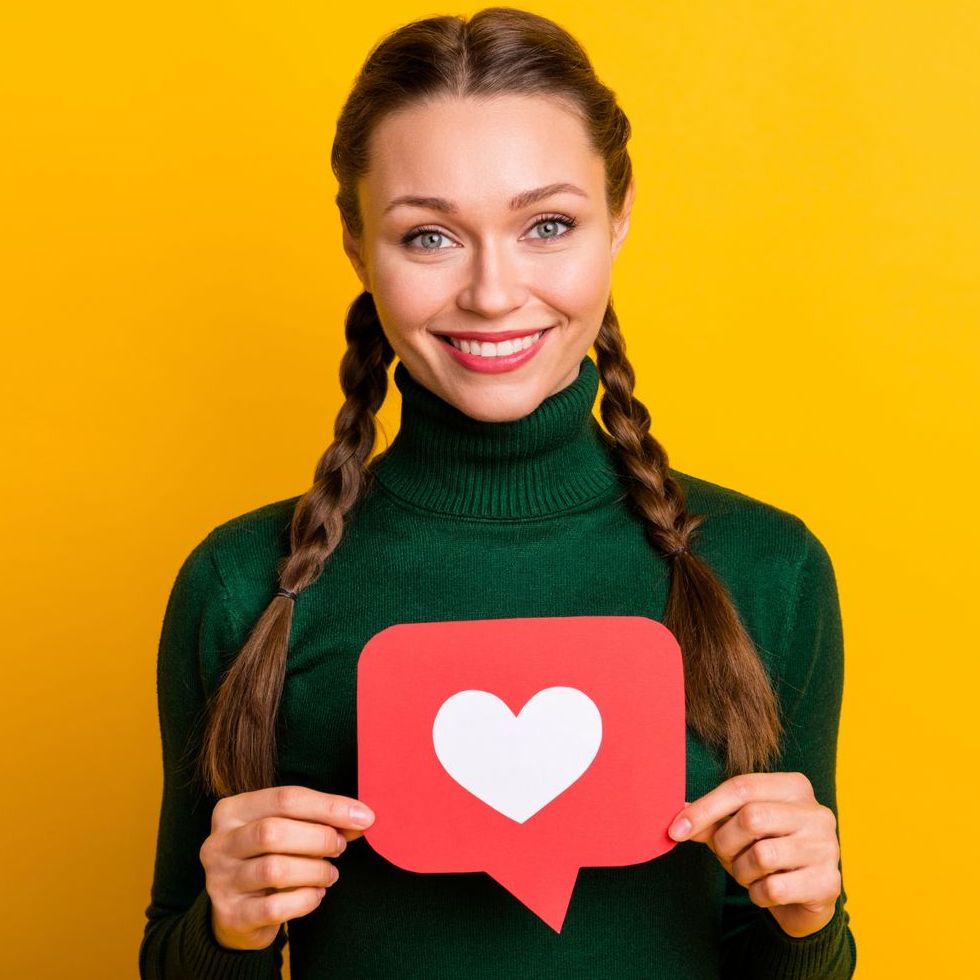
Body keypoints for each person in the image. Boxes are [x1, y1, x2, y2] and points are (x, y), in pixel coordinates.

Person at [139, 6, 856, 978]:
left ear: (621, 213)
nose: (491, 291)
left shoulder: (764, 570)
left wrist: (808, 917)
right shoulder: (242, 584)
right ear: (356, 241)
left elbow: (778, 961)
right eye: (428, 235)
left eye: (546, 224)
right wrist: (229, 926)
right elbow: (173, 950)